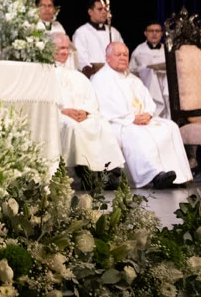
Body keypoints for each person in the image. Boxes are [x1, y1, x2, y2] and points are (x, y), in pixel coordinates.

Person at [90, 42, 193, 189]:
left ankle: (179, 176)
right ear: (107, 58)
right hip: (118, 123)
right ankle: (154, 175)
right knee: (137, 133)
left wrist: (148, 114)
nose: (122, 58)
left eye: (125, 55)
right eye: (118, 55)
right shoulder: (101, 79)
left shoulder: (133, 79)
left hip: (140, 119)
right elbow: (105, 108)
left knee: (170, 127)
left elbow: (148, 101)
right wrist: (131, 118)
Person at [50, 33, 125, 190]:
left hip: (81, 115)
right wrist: (63, 111)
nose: (64, 52)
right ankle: (86, 173)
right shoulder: (44, 74)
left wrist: (85, 112)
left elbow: (91, 100)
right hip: (59, 116)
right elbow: (45, 100)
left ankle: (108, 170)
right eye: (61, 48)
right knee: (74, 128)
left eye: (66, 48)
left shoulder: (77, 75)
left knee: (101, 124)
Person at [72, 0, 124, 77]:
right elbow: (80, 58)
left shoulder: (113, 32)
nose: (104, 12)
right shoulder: (81, 32)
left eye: (105, 9)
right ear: (90, 12)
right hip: (93, 77)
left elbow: (122, 52)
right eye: (100, 9)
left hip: (114, 75)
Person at [128, 21, 169, 118]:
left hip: (165, 85)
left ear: (162, 34)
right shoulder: (139, 50)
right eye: (151, 31)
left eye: (157, 31)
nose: (154, 33)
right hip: (147, 86)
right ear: (145, 33)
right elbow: (131, 71)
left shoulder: (167, 50)